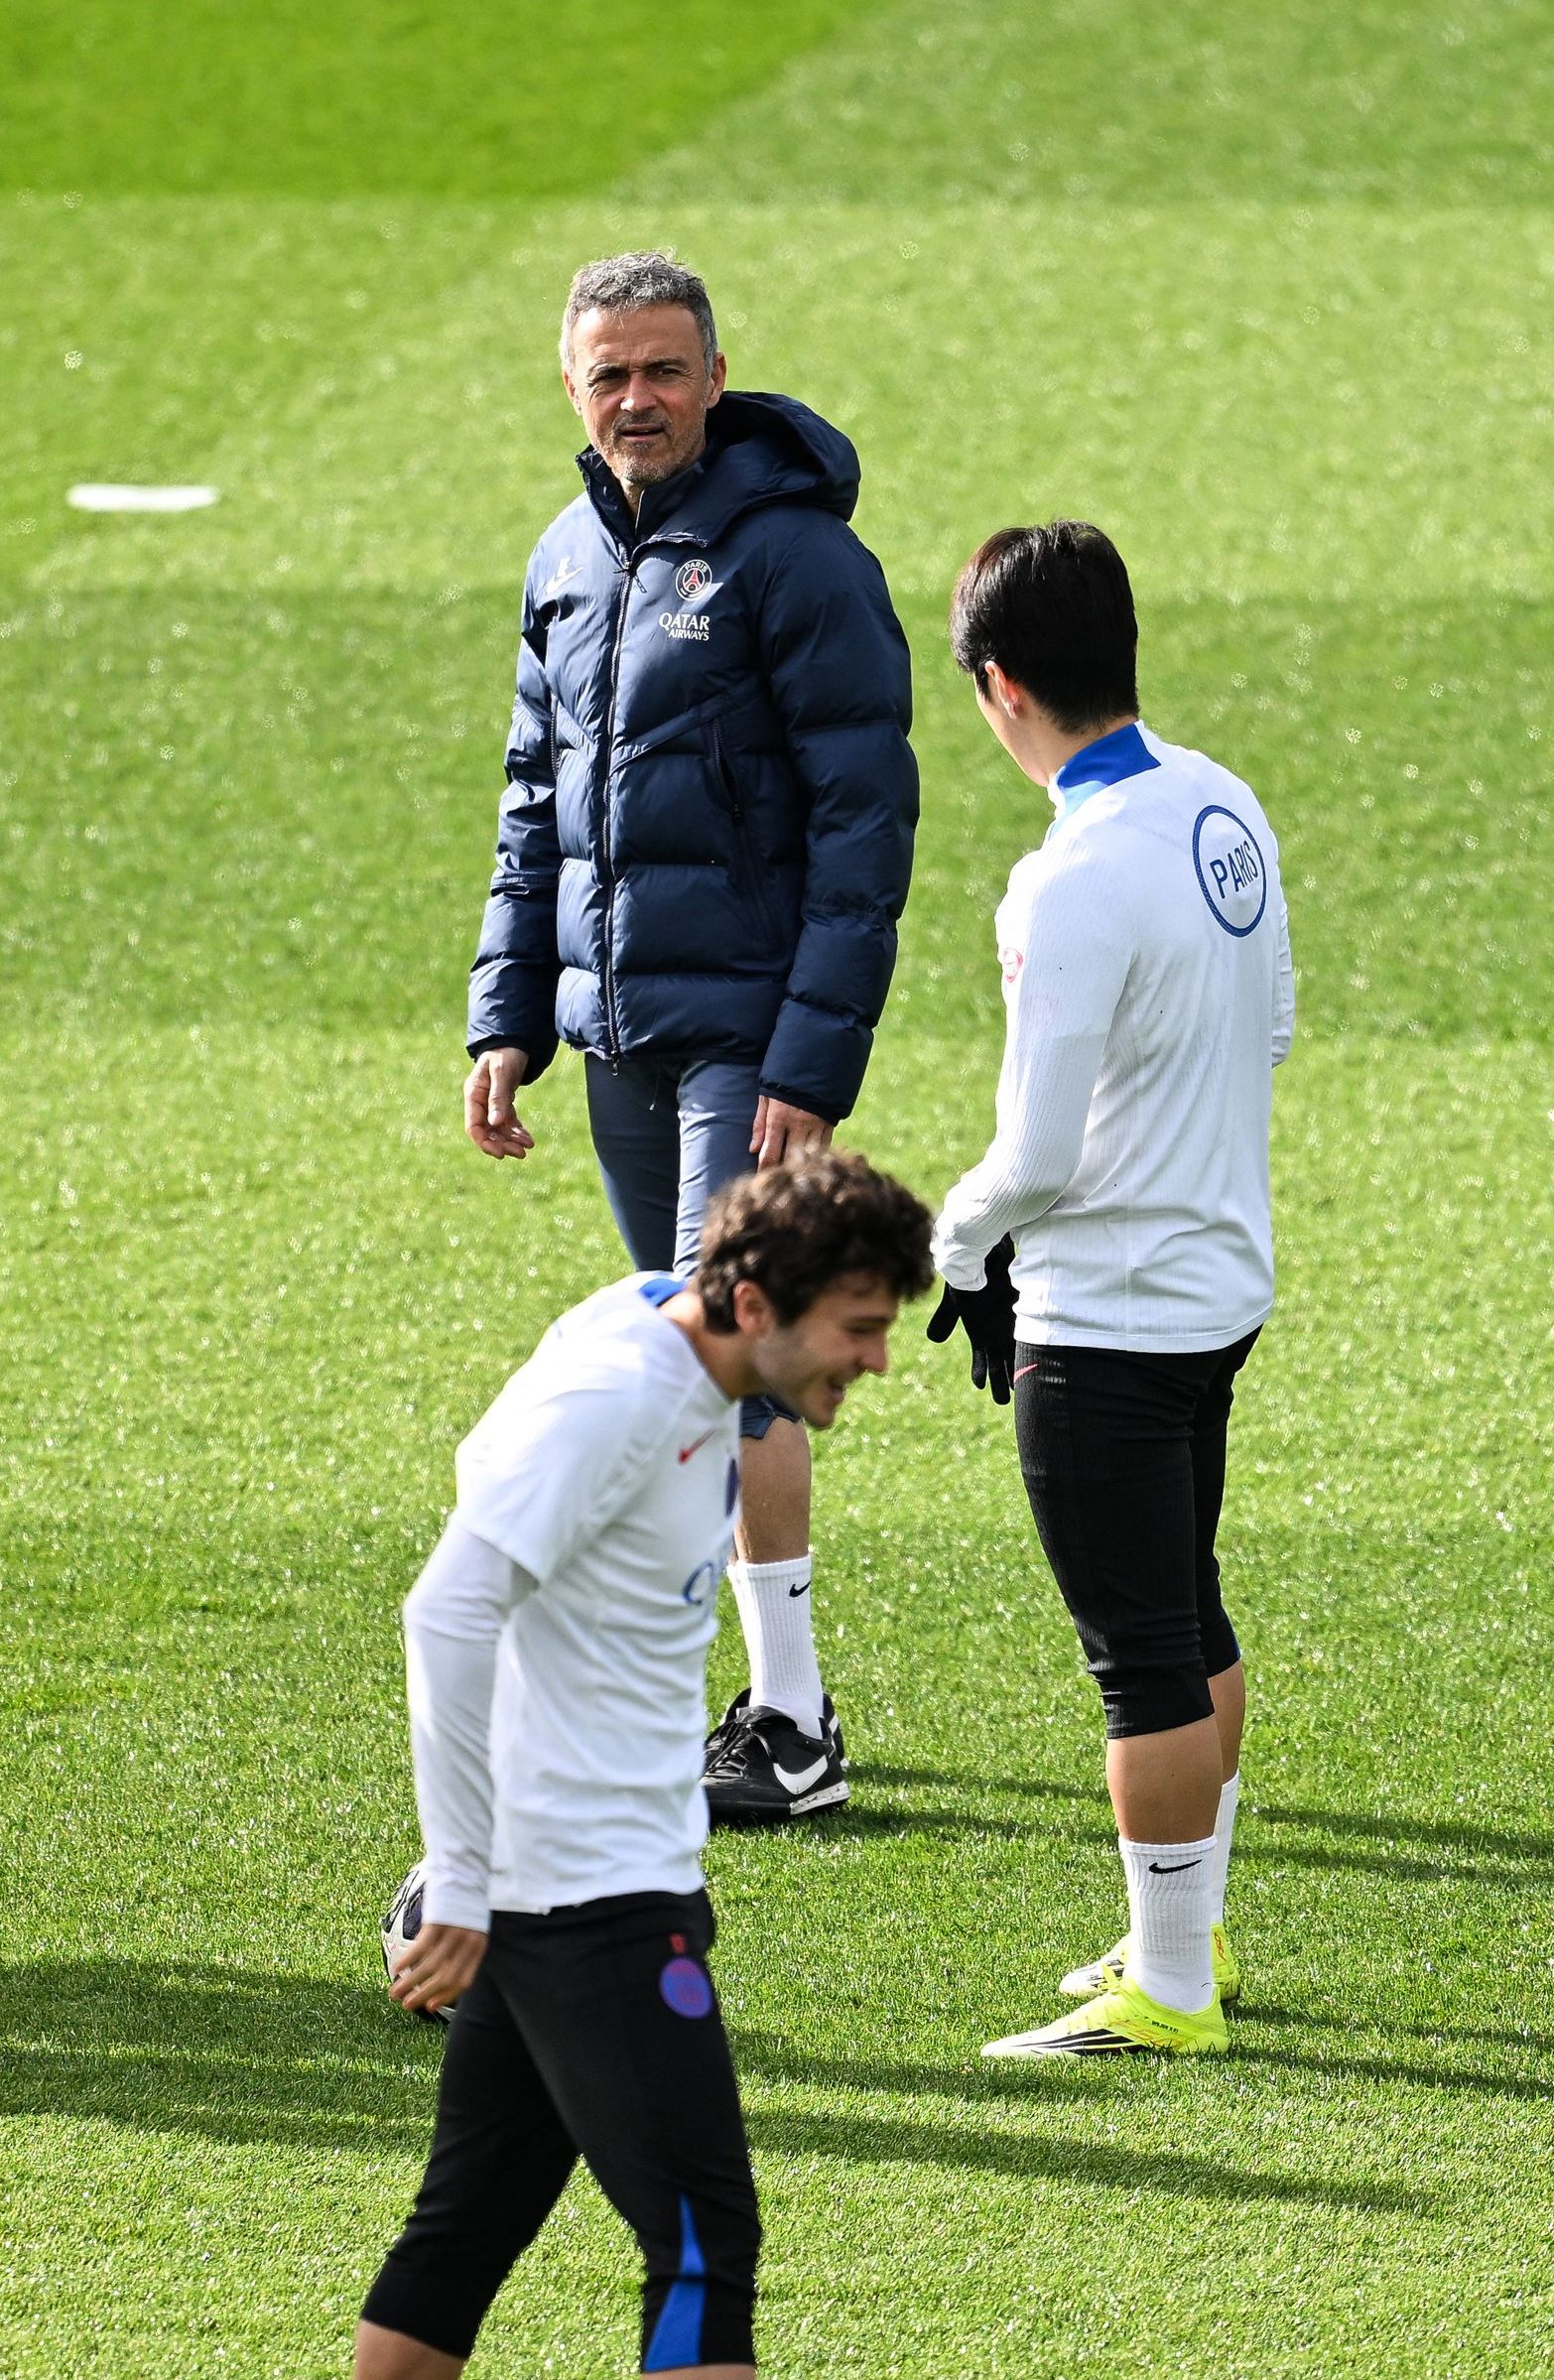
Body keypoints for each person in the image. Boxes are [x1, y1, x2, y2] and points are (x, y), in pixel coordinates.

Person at [282, 1149, 942, 2380]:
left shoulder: (676, 1352)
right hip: (582, 1898)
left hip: (586, 1878)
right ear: (756, 1300)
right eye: (855, 1326)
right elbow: (446, 1603)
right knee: (705, 2232)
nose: (874, 1359)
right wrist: (460, 1874)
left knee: (473, 2219)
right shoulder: (621, 1394)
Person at [461, 249, 916, 1830]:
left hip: (749, 1042)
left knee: (735, 1358)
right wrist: (509, 1015)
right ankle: (738, 1690)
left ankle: (793, 1720)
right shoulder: (566, 560)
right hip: (619, 1036)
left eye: (665, 371)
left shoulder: (800, 565)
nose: (638, 401)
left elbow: (868, 824)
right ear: (572, 391)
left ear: (717, 380)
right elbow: (535, 807)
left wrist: (808, 1068)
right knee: (684, 1355)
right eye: (610, 376)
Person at [918, 522, 1293, 2059]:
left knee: (1136, 1655)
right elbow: (1268, 1034)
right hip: (1218, 1285)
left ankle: (1176, 1992)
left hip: (1109, 1316)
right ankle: (1173, 1934)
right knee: (1184, 1610)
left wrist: (954, 1241)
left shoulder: (1064, 880)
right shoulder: (1223, 804)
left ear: (999, 687)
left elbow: (1037, 1150)